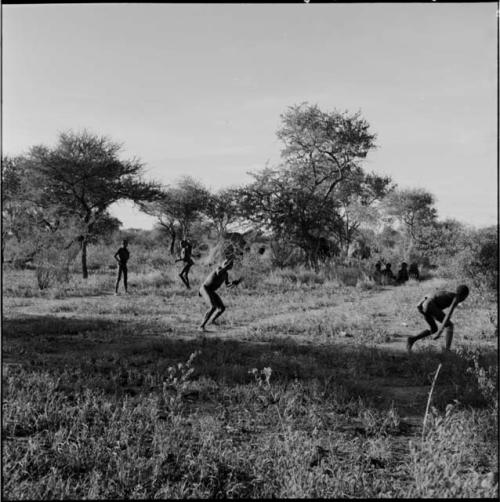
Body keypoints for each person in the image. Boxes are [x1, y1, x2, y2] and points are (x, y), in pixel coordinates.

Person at [407, 284, 469, 353]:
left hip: (422, 304)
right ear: (464, 295)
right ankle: (447, 350)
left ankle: (412, 339)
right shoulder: (456, 297)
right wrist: (440, 332)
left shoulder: (450, 294)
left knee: (433, 329)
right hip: (430, 304)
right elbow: (448, 315)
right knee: (449, 325)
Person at [199, 258, 242, 330]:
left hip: (211, 291)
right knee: (213, 307)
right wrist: (226, 266)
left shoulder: (226, 274)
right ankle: (201, 326)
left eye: (230, 265)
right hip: (205, 288)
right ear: (222, 264)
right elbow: (219, 273)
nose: (227, 265)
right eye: (225, 263)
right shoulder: (218, 269)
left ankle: (212, 320)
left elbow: (227, 285)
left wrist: (234, 283)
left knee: (222, 308)